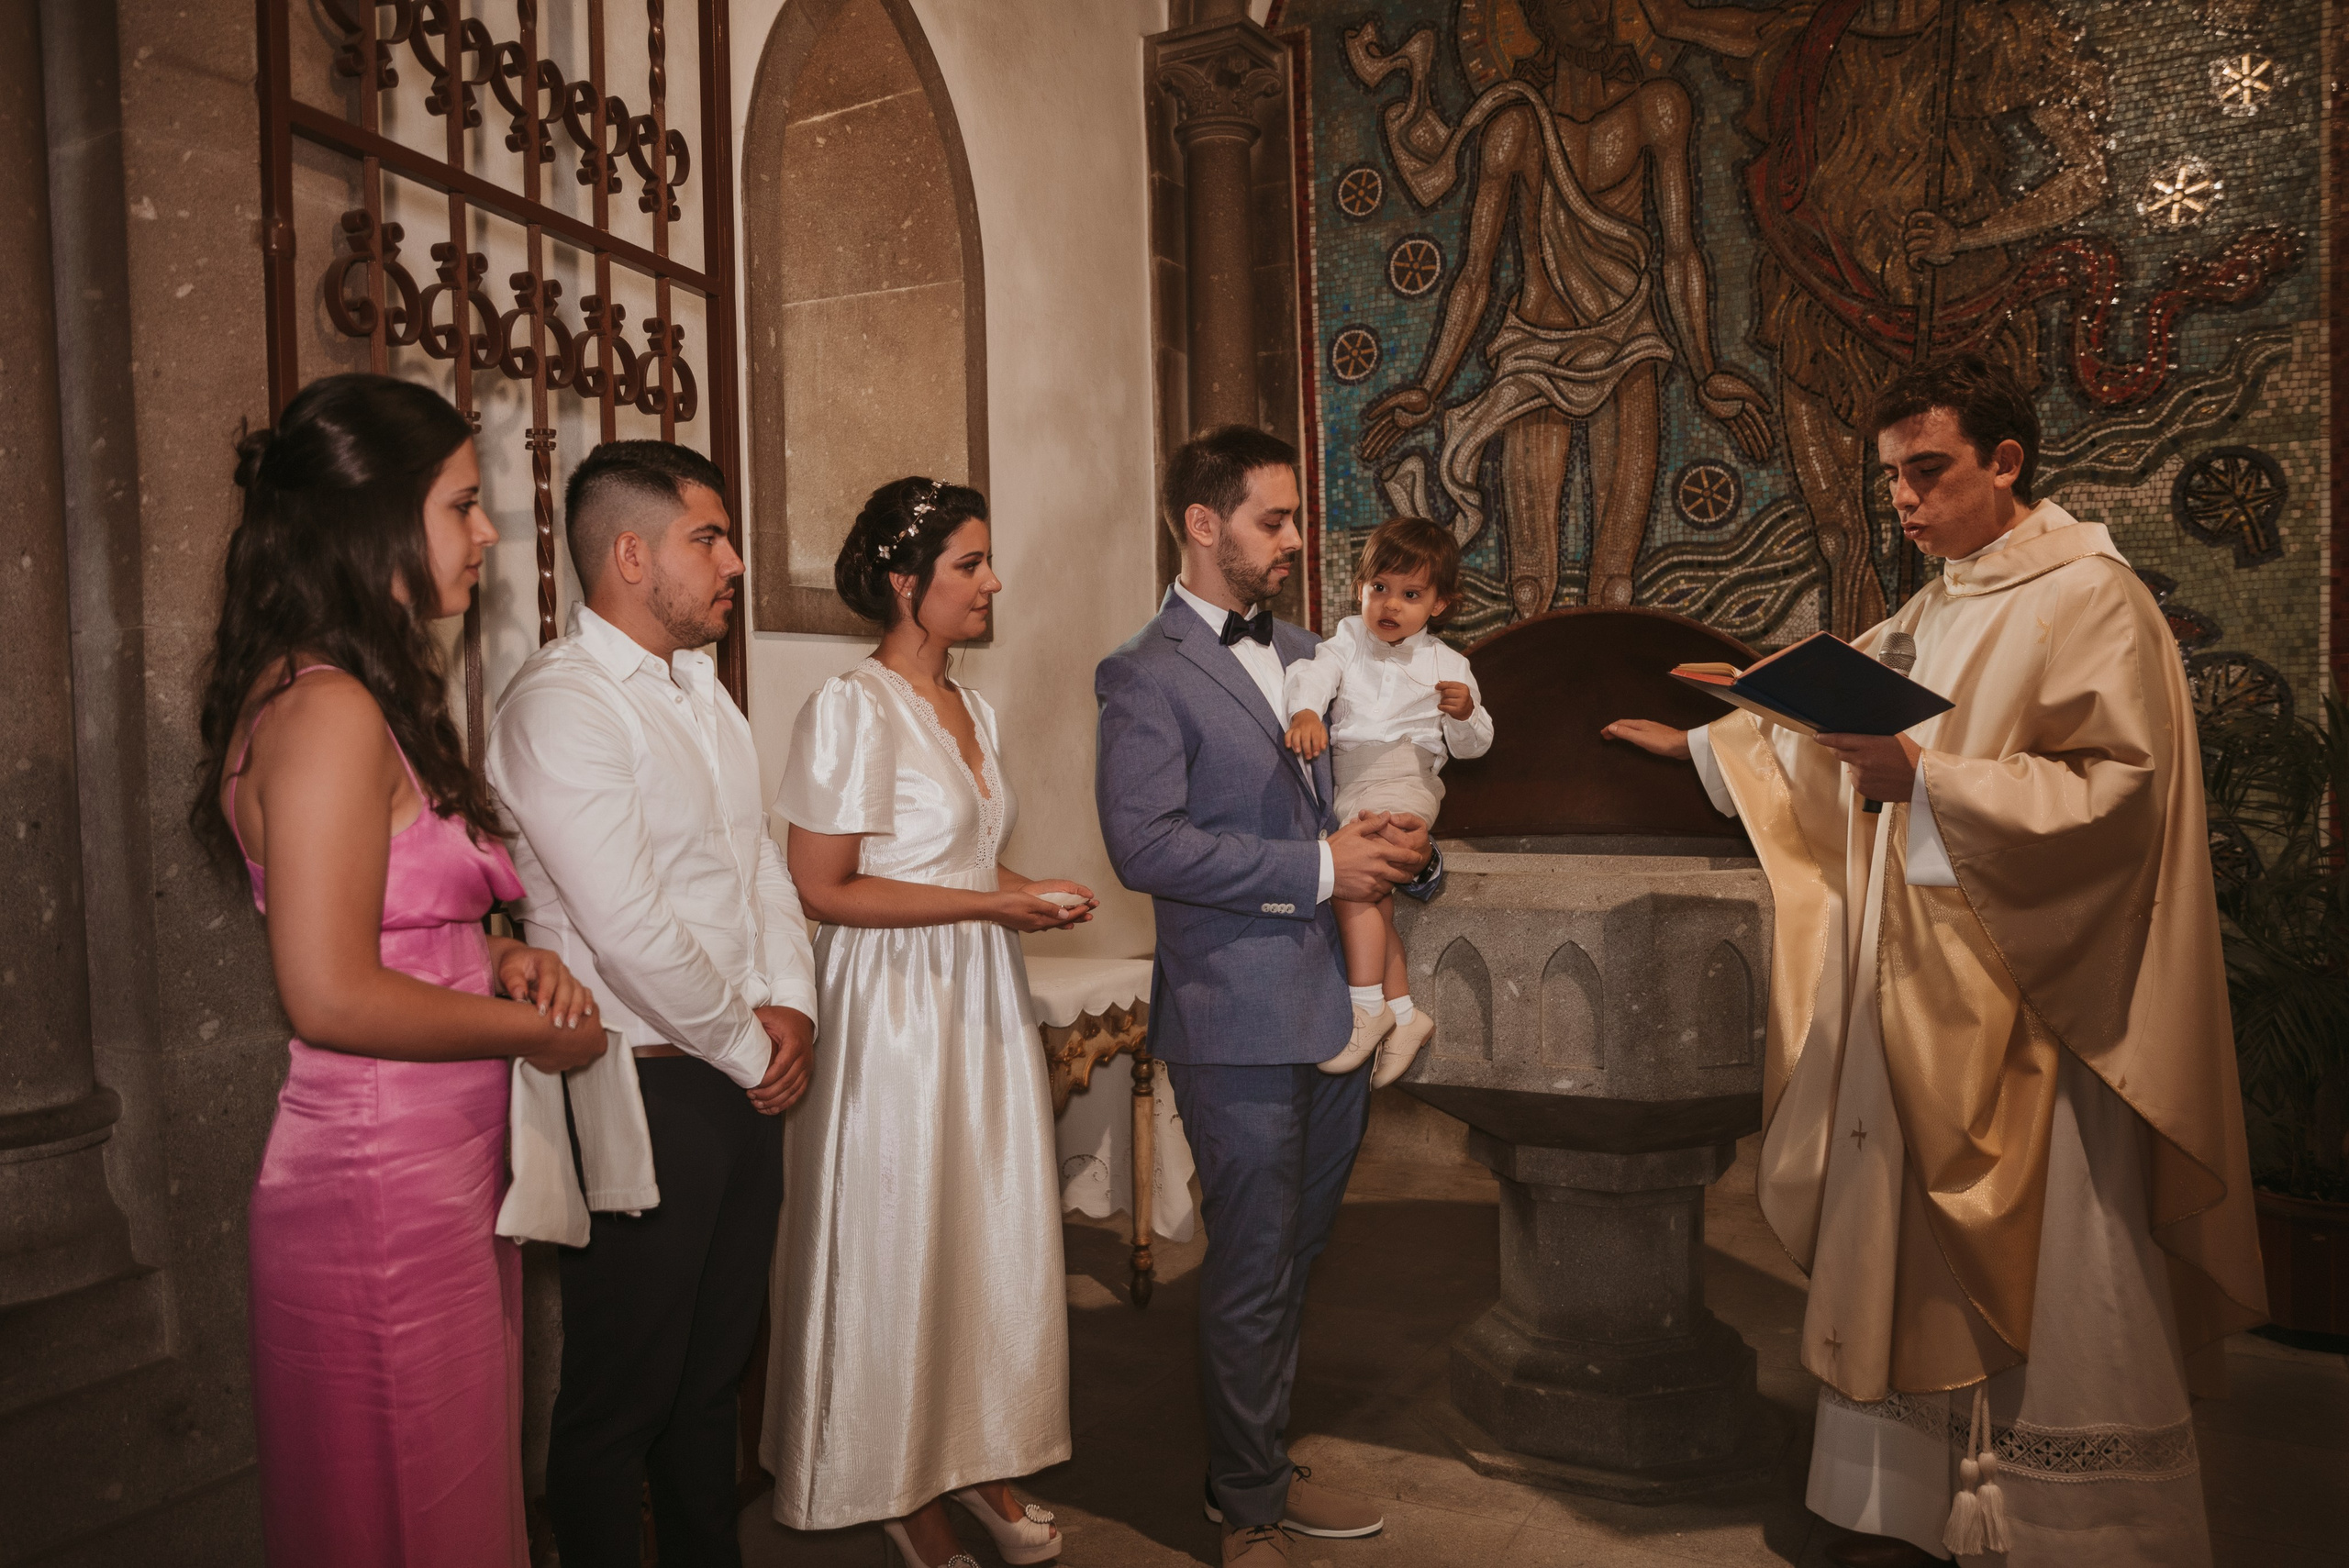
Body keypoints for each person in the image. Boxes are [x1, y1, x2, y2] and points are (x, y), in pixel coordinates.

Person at [1603, 353, 2264, 1568]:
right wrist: (1710, 748)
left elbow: (2121, 795)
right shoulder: (1946, 599)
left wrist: (1933, 782)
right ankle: (1905, 1500)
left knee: (2065, 1255)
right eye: (1891, 478)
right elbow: (1832, 724)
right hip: (1915, 984)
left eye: (1928, 472)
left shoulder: (2091, 599)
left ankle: (2070, 1521)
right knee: (1897, 1234)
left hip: (2038, 1004)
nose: (1903, 502)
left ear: (2004, 462)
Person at [193, 373, 605, 1568]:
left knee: (452, 1502)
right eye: (463, 505)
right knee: (416, 1512)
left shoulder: (359, 692)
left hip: (435, 1167)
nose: (486, 535)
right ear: (371, 519)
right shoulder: (325, 711)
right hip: (381, 1182)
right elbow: (326, 990)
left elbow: (394, 923)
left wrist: (496, 955)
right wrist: (532, 1034)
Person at [1096, 426, 1438, 1568]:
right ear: (1204, 525)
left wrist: (1404, 854)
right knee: (1248, 1263)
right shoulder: (1143, 672)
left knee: (1298, 1251)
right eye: (1274, 520)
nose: (1296, 540)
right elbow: (1145, 844)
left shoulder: (1313, 650)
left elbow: (1374, 784)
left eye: (1294, 518)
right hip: (1232, 1007)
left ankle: (1260, 1452)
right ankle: (1242, 1503)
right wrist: (1319, 871)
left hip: (1336, 1004)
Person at [486, 440, 818, 1568]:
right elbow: (623, 925)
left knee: (712, 1377)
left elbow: (756, 864)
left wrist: (793, 1006)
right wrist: (745, 1041)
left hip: (734, 1069)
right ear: (632, 554)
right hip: (639, 1078)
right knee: (619, 1394)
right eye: (708, 538)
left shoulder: (703, 695)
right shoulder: (562, 704)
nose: (731, 561)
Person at [764, 477, 1090, 1568]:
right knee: (898, 1235)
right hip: (891, 1006)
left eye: (988, 561)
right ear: (906, 582)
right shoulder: (851, 706)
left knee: (980, 1230)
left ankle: (981, 1450)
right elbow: (825, 884)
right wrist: (993, 902)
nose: (992, 581)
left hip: (974, 991)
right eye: (969, 564)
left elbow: (952, 857)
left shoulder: (974, 706)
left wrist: (1022, 886)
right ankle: (899, 1484)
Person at [1354, 0, 1772, 617]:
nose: (1592, 14)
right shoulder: (1516, 126)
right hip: (1534, 350)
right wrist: (1430, 385)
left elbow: (1682, 250)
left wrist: (1706, 369)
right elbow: (1475, 274)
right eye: (1570, 5)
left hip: (1631, 338)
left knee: (1617, 588)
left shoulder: (1657, 106)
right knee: (1528, 586)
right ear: (1537, 19)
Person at [1281, 517, 1493, 1084]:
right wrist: (1305, 710)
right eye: (1380, 588)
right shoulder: (1347, 639)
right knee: (1372, 894)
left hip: (1404, 774)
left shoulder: (1450, 665)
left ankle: (1366, 1005)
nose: (1390, 604)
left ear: (1440, 605)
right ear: (1360, 588)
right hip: (1349, 780)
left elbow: (1475, 749)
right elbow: (1314, 672)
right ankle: (1405, 1014)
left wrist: (1466, 713)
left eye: (1410, 594)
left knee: (1353, 879)